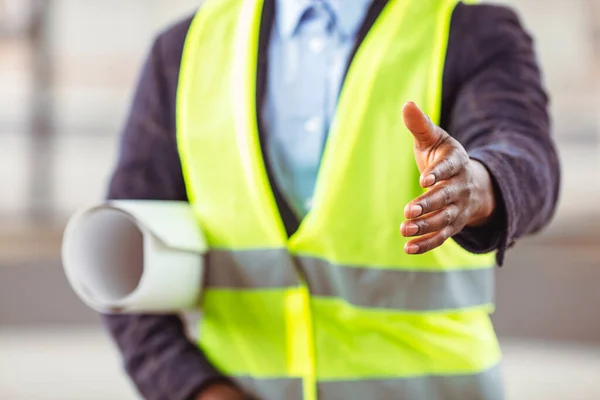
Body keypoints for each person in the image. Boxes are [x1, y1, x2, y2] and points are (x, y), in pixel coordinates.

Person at [104, 0, 560, 399]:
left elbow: (525, 154)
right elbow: (120, 260)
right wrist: (200, 390)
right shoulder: (185, 50)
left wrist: (475, 187)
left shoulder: (469, 30)